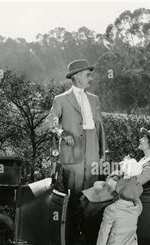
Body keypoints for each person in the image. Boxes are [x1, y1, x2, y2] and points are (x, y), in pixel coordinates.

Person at [45, 59, 107, 195]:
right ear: (77, 76)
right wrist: (62, 133)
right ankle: (71, 216)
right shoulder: (60, 99)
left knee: (92, 192)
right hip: (72, 149)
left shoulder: (95, 99)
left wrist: (104, 154)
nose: (91, 78)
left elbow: (100, 128)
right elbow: (50, 122)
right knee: (73, 192)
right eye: (88, 75)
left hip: (93, 148)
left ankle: (88, 216)